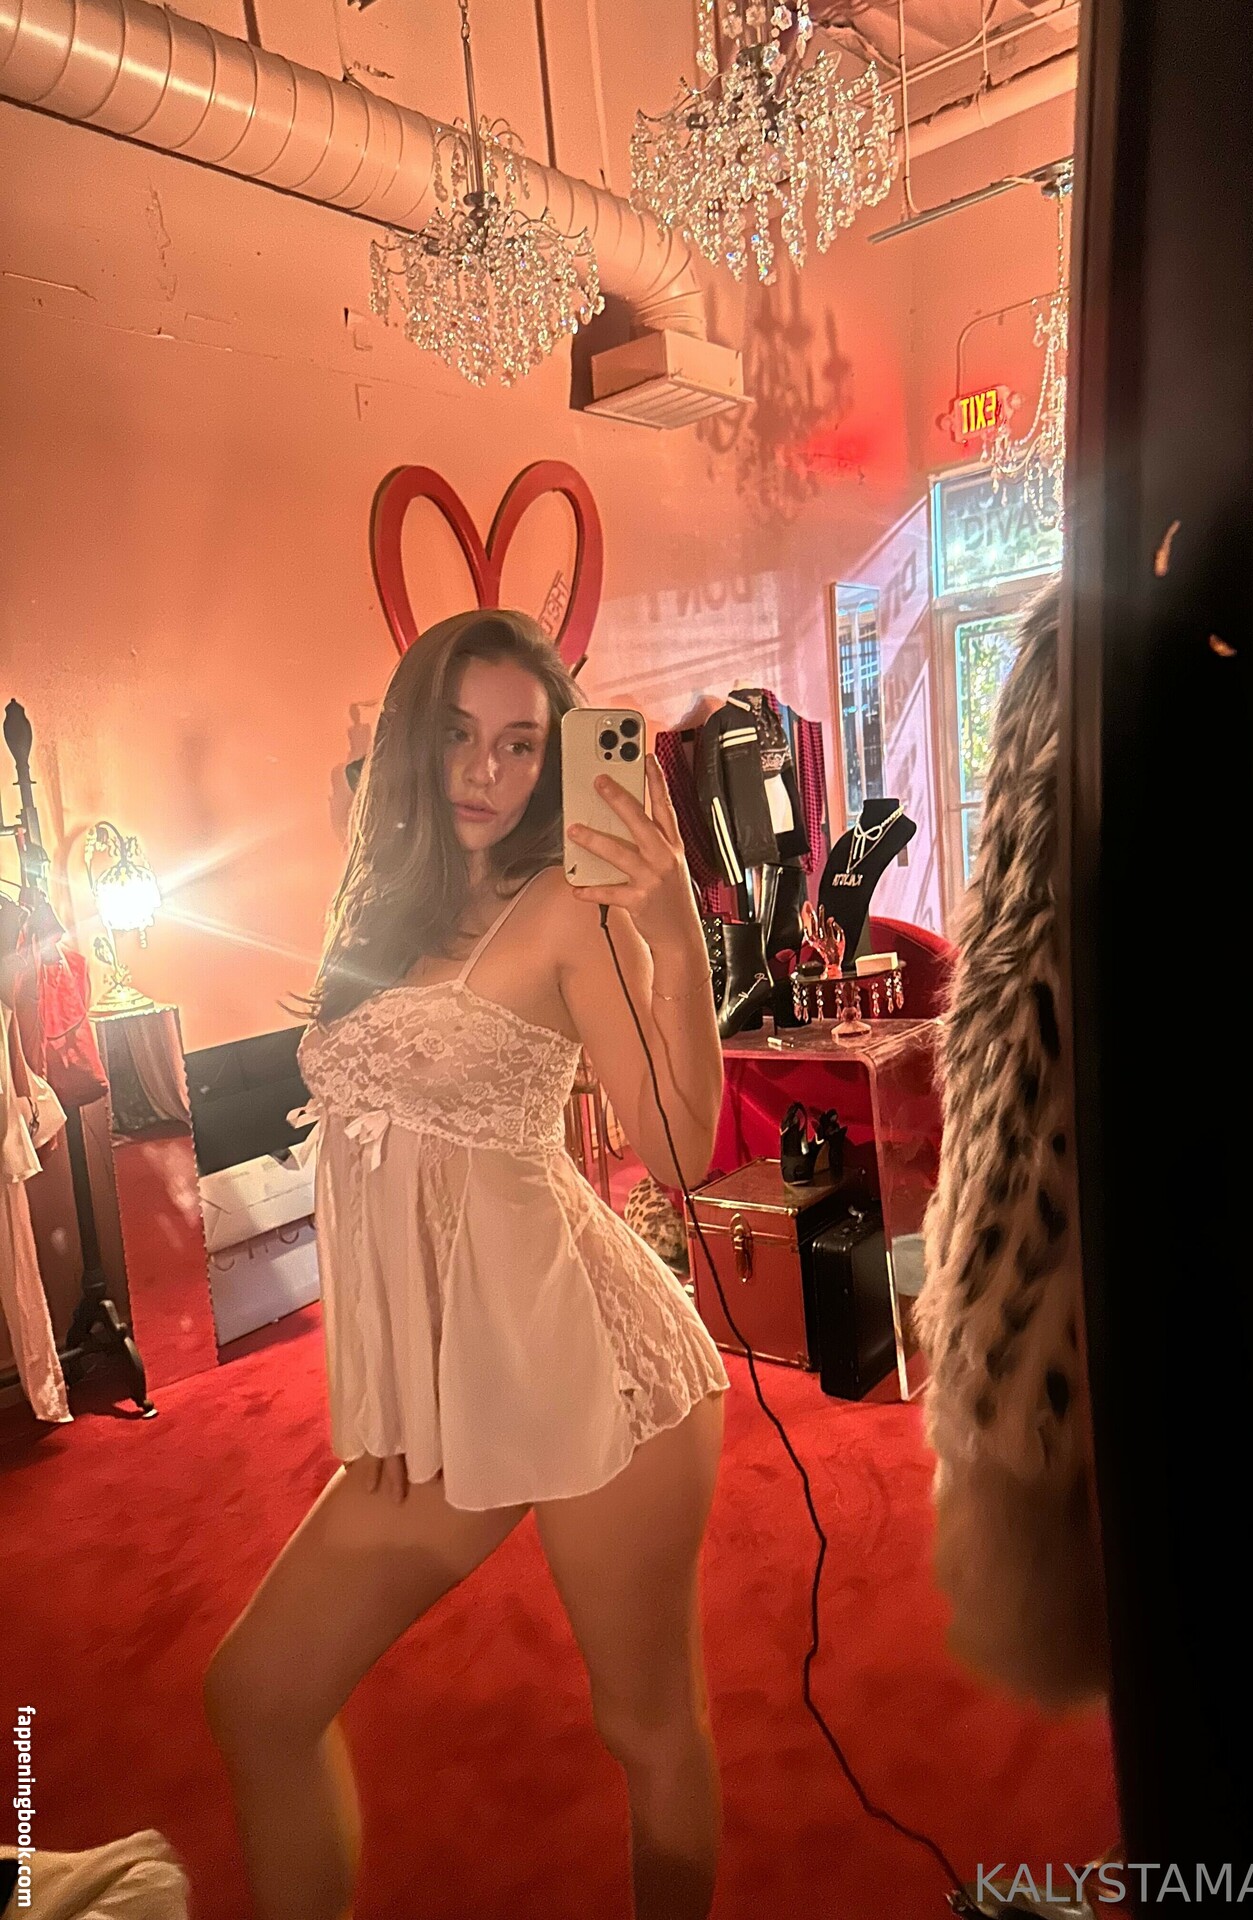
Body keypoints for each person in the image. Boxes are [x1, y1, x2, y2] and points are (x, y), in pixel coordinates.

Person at [203, 610, 731, 1920]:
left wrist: (673, 927)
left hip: (602, 1369)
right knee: (258, 1694)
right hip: (452, 1383)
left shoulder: (568, 907)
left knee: (645, 1727)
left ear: (555, 759)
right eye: (454, 736)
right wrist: (390, 1389)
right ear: (410, 743)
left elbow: (677, 1149)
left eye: (518, 744)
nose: (484, 772)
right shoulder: (385, 903)